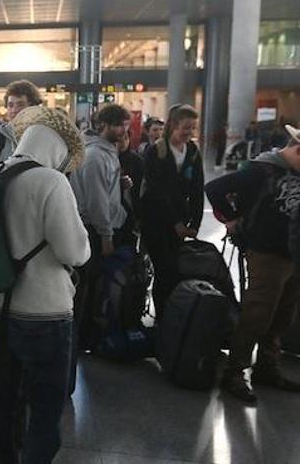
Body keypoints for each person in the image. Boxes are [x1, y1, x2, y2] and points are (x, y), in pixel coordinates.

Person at [0, 105, 90, 463]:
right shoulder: (51, 181)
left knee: (2, 396)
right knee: (45, 406)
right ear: (58, 149)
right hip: (44, 312)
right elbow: (74, 251)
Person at [206, 124, 300, 404]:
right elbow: (215, 188)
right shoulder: (262, 169)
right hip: (265, 252)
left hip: (293, 253)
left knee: (283, 313)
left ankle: (267, 367)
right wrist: (231, 219)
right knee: (257, 313)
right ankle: (235, 371)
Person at [69, 103, 131, 351]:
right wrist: (106, 235)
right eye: (118, 125)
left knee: (92, 285)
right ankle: (84, 337)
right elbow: (96, 201)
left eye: (125, 125)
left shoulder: (105, 151)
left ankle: (87, 335)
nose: (123, 131)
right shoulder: (95, 155)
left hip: (97, 227)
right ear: (102, 125)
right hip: (94, 230)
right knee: (89, 286)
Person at [139, 104, 204, 320]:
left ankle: (173, 317)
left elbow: (197, 188)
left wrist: (195, 223)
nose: (189, 132)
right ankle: (163, 319)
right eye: (186, 127)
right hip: (156, 221)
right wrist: (175, 222)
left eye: (193, 128)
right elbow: (157, 192)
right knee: (164, 271)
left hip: (180, 223)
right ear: (173, 125)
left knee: (176, 271)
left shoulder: (193, 152)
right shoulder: (156, 152)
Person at [0, 80, 42, 170]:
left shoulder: (43, 140)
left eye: (20, 105)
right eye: (10, 105)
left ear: (33, 107)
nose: (14, 110)